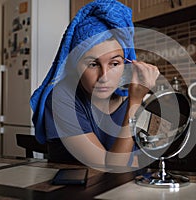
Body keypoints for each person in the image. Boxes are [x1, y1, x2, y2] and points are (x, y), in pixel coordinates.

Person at [30, 0, 159, 170]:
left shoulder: (133, 94)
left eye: (114, 64)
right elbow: (111, 168)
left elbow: (151, 156)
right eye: (92, 64)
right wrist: (134, 105)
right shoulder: (60, 98)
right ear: (76, 65)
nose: (104, 76)